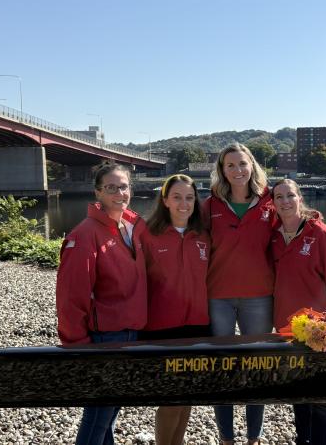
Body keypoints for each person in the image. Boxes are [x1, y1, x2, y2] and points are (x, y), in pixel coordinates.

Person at [55, 162, 148, 445]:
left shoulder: (131, 227)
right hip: (106, 337)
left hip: (130, 332)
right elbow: (71, 296)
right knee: (97, 417)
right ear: (98, 192)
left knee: (107, 414)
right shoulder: (86, 234)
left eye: (123, 186)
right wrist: (78, 346)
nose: (119, 192)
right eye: (111, 187)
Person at [270, 179, 326, 445]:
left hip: (322, 329)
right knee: (299, 391)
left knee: (319, 398)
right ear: (272, 203)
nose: (285, 201)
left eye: (290, 195)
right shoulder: (273, 237)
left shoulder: (322, 235)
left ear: (300, 198)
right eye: (279, 197)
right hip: (289, 327)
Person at [203, 143, 275, 445]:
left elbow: (297, 220)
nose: (237, 170)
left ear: (252, 166)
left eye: (242, 164)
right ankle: (226, 437)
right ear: (222, 170)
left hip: (258, 296)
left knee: (255, 366)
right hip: (218, 295)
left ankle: (254, 436)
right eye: (230, 165)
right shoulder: (209, 206)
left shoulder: (270, 202)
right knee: (222, 367)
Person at [139, 174, 211, 445]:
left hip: (197, 325)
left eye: (190, 197)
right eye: (177, 197)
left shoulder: (203, 235)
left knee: (187, 395)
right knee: (171, 398)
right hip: (162, 328)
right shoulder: (147, 234)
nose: (184, 203)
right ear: (165, 200)